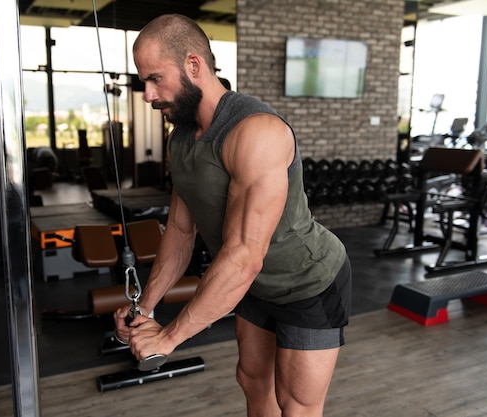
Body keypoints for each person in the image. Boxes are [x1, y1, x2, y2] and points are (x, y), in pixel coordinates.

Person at [114, 14, 351, 417]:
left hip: (306, 282)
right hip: (254, 285)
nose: (148, 95)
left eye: (155, 79)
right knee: (253, 381)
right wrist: (145, 308)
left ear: (193, 65)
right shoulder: (182, 138)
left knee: (295, 404)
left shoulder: (256, 132)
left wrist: (168, 338)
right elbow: (180, 230)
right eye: (143, 83)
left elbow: (244, 254)